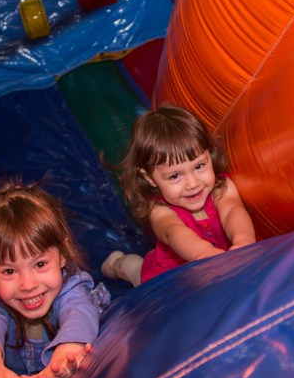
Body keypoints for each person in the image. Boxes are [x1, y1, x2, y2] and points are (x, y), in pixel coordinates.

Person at [0, 181, 109, 378]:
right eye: (9, 271)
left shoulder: (71, 287)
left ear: (62, 254)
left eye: (40, 264)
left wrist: (66, 355)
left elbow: (80, 314)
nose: (27, 285)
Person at [101, 104, 257, 286]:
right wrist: (204, 254)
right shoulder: (158, 209)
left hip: (222, 263)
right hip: (175, 276)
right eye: (175, 176)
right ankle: (120, 264)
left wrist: (244, 240)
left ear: (209, 155)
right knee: (138, 273)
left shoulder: (221, 188)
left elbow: (232, 211)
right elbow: (174, 231)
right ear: (150, 178)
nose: (193, 184)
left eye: (199, 166)